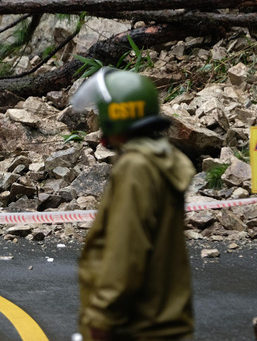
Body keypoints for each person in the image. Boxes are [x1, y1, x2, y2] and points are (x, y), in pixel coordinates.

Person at [71, 68, 196, 341]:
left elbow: (126, 250)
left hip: (135, 327)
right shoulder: (160, 159)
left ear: (117, 114)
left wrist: (102, 316)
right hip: (161, 322)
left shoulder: (136, 168)